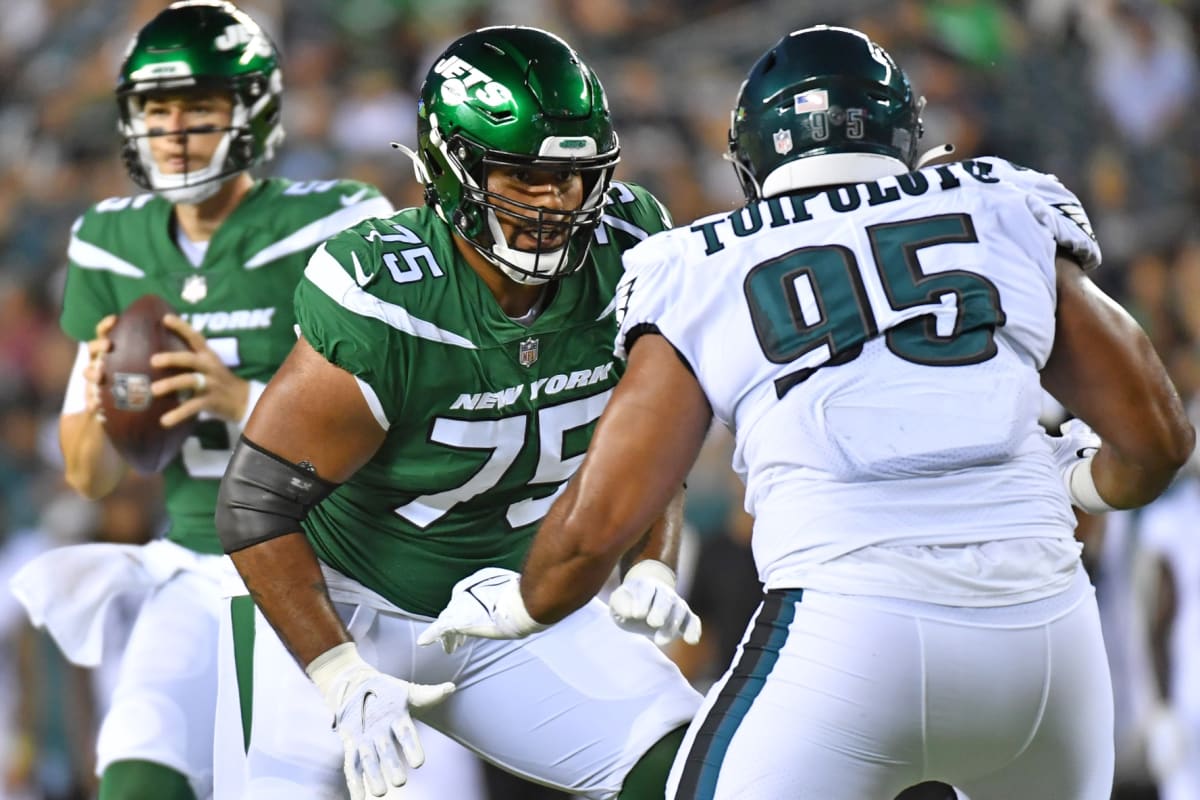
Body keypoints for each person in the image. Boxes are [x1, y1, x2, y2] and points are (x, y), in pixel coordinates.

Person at [419, 24, 1198, 800]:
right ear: (905, 134)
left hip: (849, 640)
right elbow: (1158, 441)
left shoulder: (701, 262)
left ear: (752, 159)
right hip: (1048, 648)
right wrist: (1079, 486)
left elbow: (600, 521)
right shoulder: (1000, 204)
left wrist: (520, 602)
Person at [212, 24, 702, 800]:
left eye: (573, 177)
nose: (556, 201)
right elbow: (251, 507)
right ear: (451, 167)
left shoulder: (632, 248)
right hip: (339, 607)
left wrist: (650, 558)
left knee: (691, 772)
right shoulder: (387, 296)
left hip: (510, 607)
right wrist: (340, 678)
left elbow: (658, 430)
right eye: (524, 177)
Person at [8, 3, 392, 798]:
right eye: (158, 110)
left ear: (250, 115)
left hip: (324, 574)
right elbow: (92, 479)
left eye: (199, 109)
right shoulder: (111, 243)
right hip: (190, 563)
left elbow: (388, 425)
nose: (175, 130)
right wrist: (107, 395)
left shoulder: (334, 223)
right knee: (135, 765)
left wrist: (244, 400)